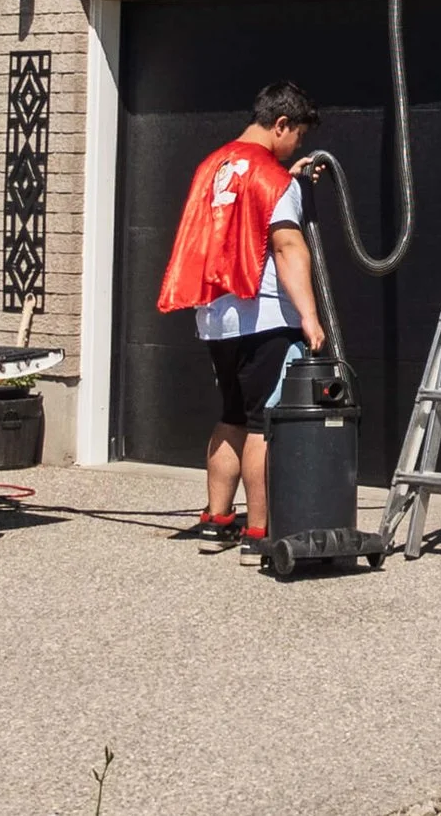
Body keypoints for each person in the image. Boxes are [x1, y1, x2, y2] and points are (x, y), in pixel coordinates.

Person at [154, 80, 328, 555]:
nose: (299, 145)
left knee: (230, 415)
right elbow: (287, 247)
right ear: (281, 124)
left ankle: (218, 518)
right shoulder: (274, 181)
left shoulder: (213, 165)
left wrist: (287, 179)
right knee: (262, 424)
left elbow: (237, 213)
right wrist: (310, 318)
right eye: (298, 136)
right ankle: (261, 531)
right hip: (266, 315)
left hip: (216, 315)